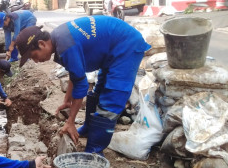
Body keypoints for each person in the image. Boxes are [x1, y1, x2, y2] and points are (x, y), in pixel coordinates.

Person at [15, 16, 151, 156]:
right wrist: (67, 100)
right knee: (99, 89)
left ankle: (94, 150)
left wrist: (71, 121)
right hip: (111, 49)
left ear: (42, 44)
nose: (36, 61)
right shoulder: (58, 39)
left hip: (126, 46)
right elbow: (75, 74)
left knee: (113, 97)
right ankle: (88, 128)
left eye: (33, 56)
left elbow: (82, 85)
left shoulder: (65, 44)